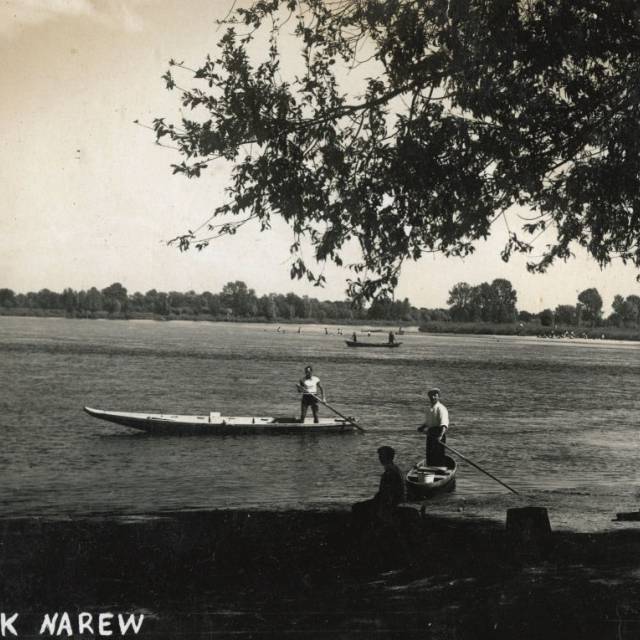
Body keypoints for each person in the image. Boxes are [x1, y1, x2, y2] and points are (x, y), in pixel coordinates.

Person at [351, 446, 406, 529]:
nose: (379, 458)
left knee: (357, 507)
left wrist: (379, 505)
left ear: (386, 457)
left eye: (381, 456)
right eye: (379, 456)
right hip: (393, 500)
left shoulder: (389, 472)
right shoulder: (395, 468)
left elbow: (387, 493)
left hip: (389, 502)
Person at [417, 388, 449, 467]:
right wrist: (422, 427)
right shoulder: (429, 409)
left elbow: (444, 424)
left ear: (438, 396)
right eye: (431, 396)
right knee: (430, 455)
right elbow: (428, 423)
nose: (433, 397)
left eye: (435, 395)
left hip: (439, 433)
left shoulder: (441, 408)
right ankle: (430, 471)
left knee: (438, 455)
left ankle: (440, 470)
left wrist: (440, 436)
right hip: (430, 434)